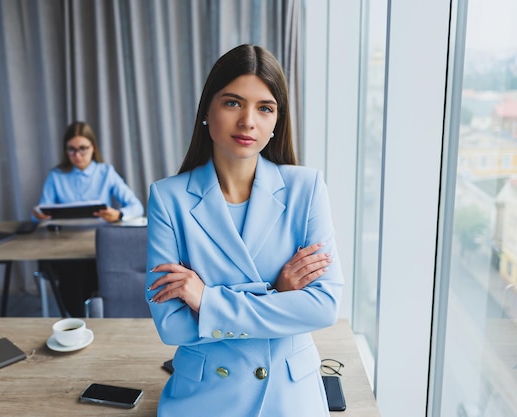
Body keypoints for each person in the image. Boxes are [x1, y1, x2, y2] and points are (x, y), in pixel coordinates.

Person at [145, 44, 344, 416]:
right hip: (203, 397)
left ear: (276, 121)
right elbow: (171, 326)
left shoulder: (307, 188)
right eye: (233, 103)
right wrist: (280, 296)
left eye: (264, 108)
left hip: (289, 397)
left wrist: (207, 301)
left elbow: (324, 307)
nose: (248, 121)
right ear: (207, 109)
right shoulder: (167, 198)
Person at [34, 121, 144, 317]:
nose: (77, 155)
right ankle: (77, 319)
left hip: (98, 244)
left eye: (83, 149)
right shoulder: (56, 175)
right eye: (72, 150)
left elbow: (137, 207)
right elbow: (39, 215)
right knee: (73, 275)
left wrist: (118, 214)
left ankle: (95, 318)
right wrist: (39, 215)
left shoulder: (105, 172)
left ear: (93, 148)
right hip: (65, 246)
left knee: (99, 270)